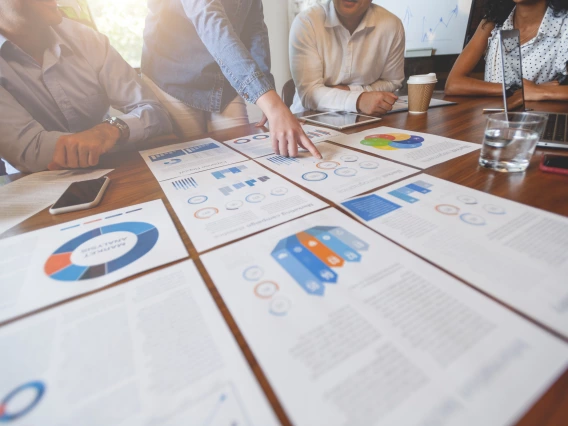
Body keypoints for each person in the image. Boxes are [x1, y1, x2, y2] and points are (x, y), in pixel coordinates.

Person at [0, 0, 172, 174]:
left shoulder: (86, 38)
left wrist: (110, 130)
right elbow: (31, 152)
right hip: (37, 185)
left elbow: (154, 112)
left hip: (116, 168)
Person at [142, 0, 321, 158]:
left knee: (243, 156)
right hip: (174, 77)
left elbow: (255, 29)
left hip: (223, 79)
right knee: (194, 161)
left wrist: (267, 88)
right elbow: (210, 22)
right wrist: (273, 105)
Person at [289, 0, 405, 116]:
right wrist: (359, 99)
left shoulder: (392, 25)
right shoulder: (307, 22)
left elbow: (392, 81)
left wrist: (349, 91)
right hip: (309, 119)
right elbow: (310, 94)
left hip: (368, 119)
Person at [445, 0, 568, 101]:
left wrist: (540, 91)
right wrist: (516, 91)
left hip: (533, 123)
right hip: (491, 123)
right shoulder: (493, 22)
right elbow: (453, 84)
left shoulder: (563, 25)